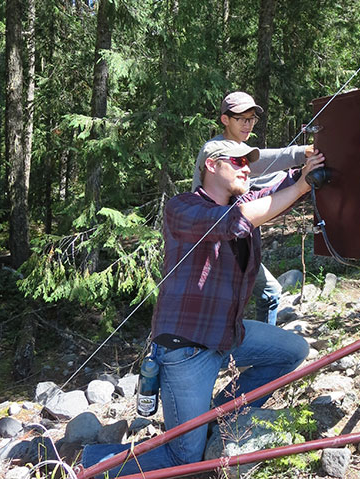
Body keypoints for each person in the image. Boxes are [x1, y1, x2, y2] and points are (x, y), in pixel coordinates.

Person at [81, 139, 325, 476]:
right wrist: (300, 187)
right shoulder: (182, 207)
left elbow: (270, 196)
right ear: (211, 165)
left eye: (248, 163)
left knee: (293, 350)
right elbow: (235, 220)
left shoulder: (244, 202)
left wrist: (306, 166)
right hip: (187, 349)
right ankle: (85, 463)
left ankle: (219, 417)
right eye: (238, 161)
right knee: (184, 459)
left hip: (228, 336)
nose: (246, 168)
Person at [192, 91, 320, 326]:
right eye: (242, 118)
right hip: (216, 247)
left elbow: (260, 184)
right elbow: (258, 163)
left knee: (269, 292)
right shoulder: (217, 148)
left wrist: (299, 178)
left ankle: (257, 347)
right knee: (223, 308)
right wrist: (300, 153)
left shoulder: (240, 153)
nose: (248, 124)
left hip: (236, 241)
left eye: (252, 119)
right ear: (225, 120)